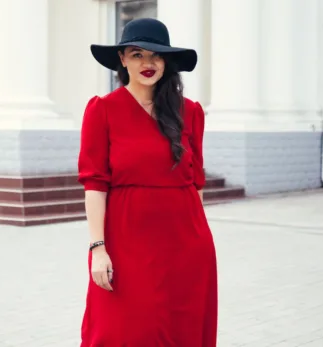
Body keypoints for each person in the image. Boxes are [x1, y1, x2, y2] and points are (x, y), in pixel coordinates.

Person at [77, 17, 218, 347]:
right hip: (126, 243)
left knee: (181, 330)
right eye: (137, 54)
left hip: (185, 246)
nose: (148, 63)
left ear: (166, 61)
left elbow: (195, 185)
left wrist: (198, 248)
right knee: (120, 331)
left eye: (155, 55)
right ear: (122, 60)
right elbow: (95, 185)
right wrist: (98, 249)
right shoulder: (102, 110)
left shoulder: (190, 112)